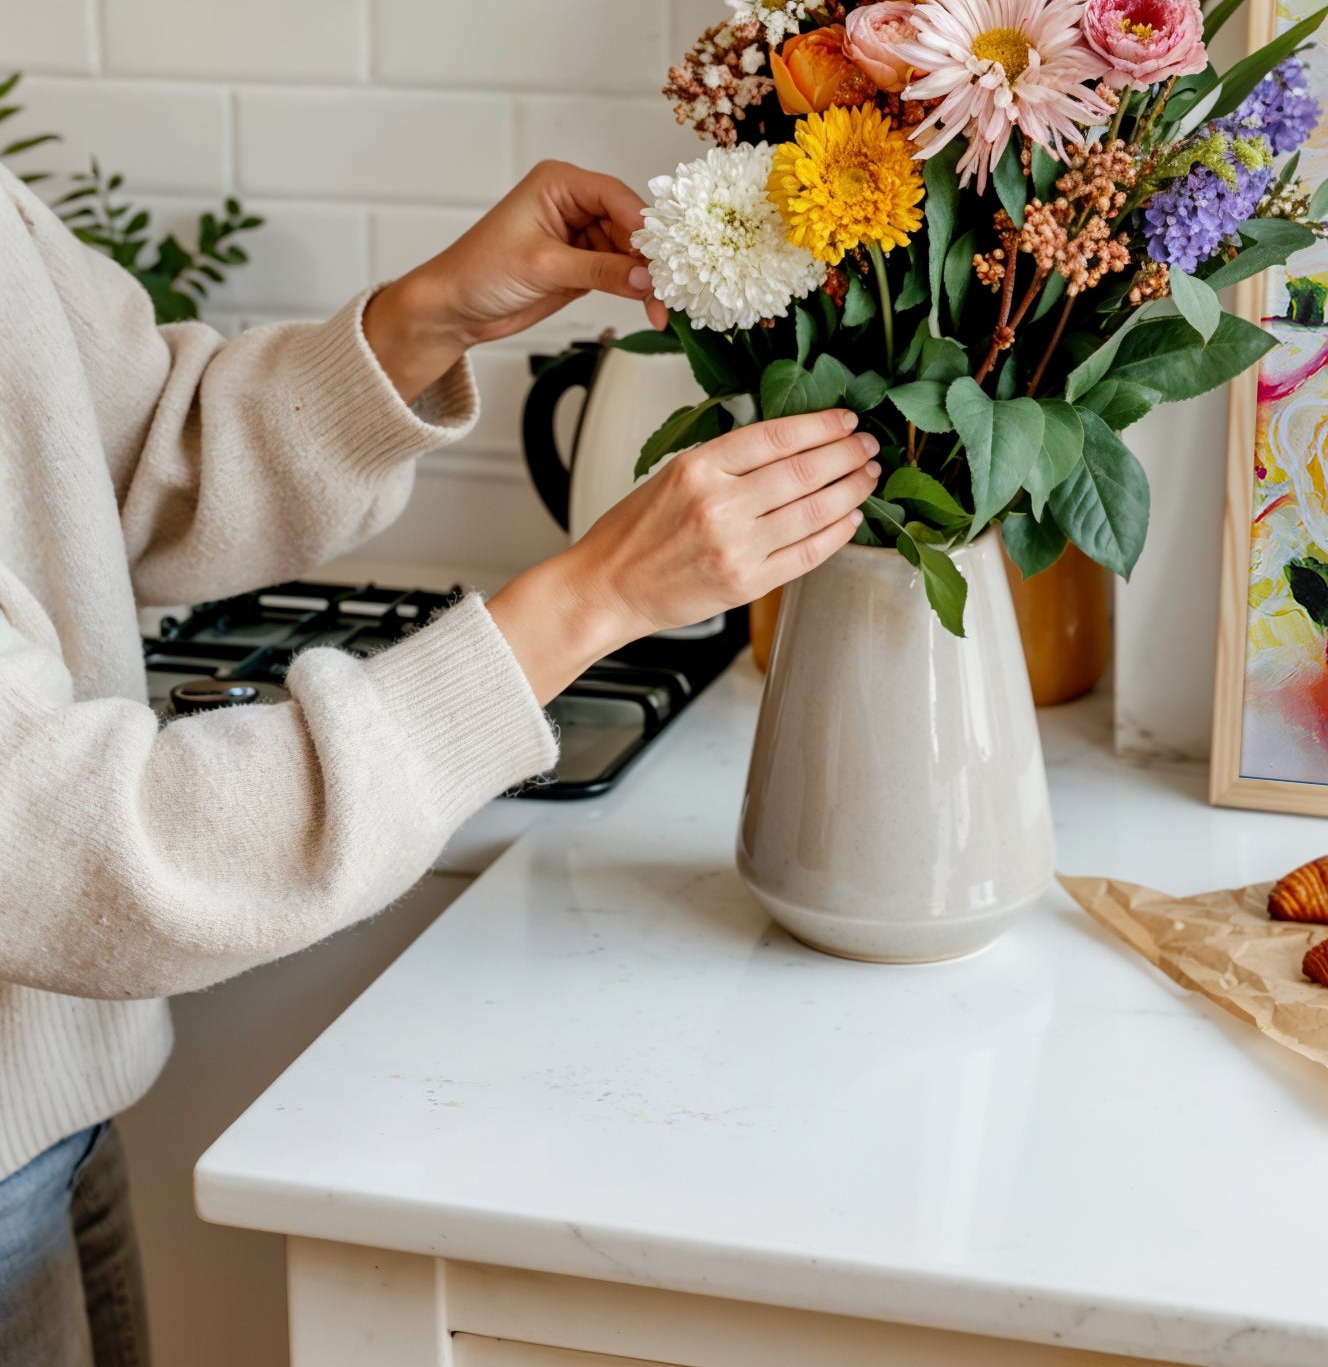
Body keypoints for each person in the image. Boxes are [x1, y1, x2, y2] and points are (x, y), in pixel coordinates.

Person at [0, 159, 878, 1366]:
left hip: (55, 1110)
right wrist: (589, 599)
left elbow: (120, 452)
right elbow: (76, 846)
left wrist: (423, 316)